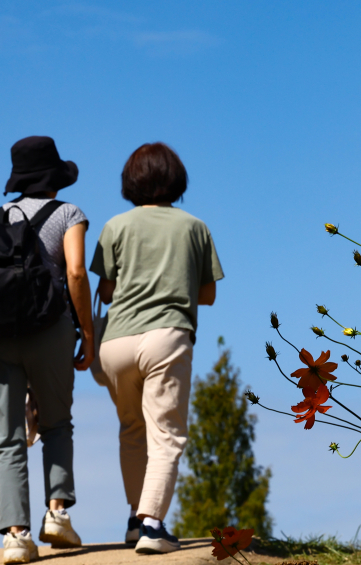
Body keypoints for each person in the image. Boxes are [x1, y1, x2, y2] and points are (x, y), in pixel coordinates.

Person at [0, 136, 93, 563]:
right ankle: (57, 514)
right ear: (55, 177)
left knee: (6, 438)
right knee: (56, 423)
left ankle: (16, 536)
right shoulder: (69, 214)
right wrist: (87, 334)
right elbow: (76, 273)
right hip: (50, 331)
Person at [91, 142, 224, 554]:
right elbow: (208, 295)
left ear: (130, 181)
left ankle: (136, 519)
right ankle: (152, 525)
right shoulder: (194, 227)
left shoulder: (115, 226)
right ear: (176, 179)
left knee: (132, 430)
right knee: (166, 433)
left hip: (116, 342)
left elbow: (106, 292)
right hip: (166, 337)